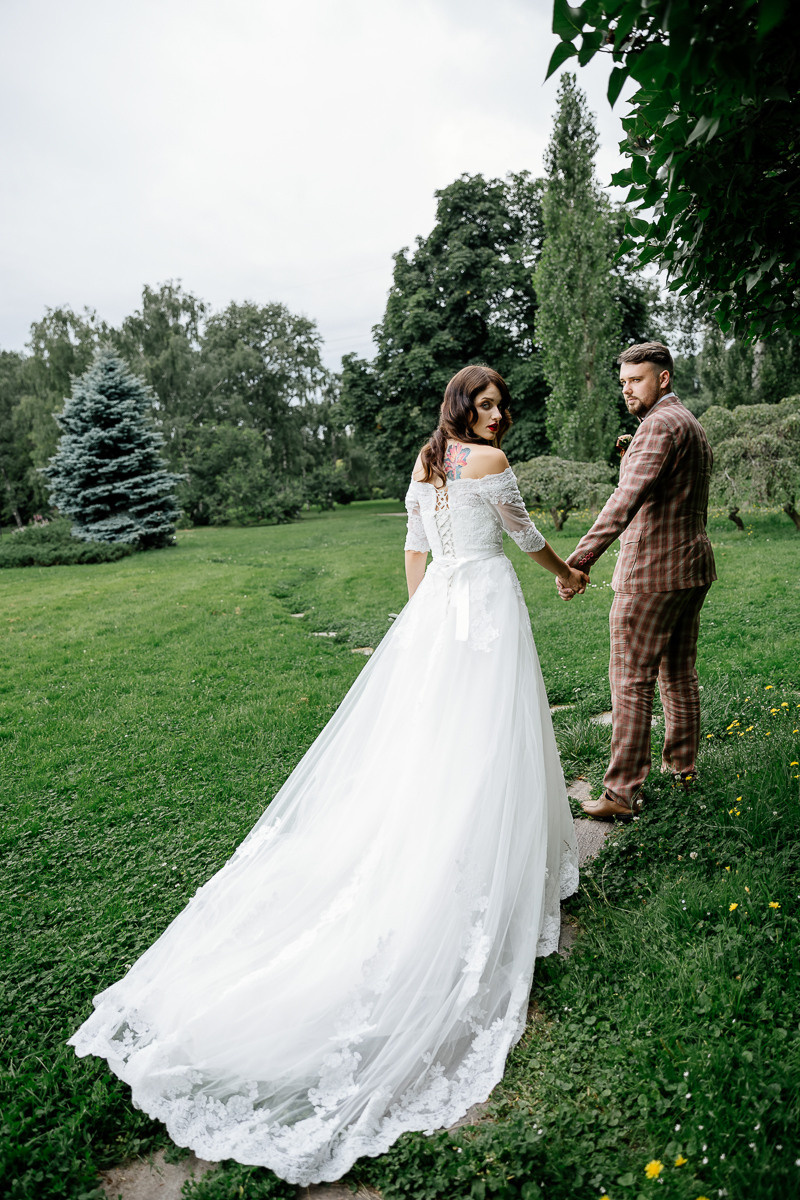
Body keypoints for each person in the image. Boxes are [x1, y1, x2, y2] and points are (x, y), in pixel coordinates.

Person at [69, 365, 585, 1186]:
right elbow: (522, 540)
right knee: (490, 737)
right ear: (459, 408)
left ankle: (504, 844)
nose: (497, 413)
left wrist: (421, 622)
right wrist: (564, 570)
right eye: (483, 404)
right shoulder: (486, 467)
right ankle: (491, 862)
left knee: (443, 741)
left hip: (441, 613)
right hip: (482, 608)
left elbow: (415, 551)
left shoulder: (424, 465)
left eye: (499, 404)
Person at [558, 342, 716, 821]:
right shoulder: (688, 423)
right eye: (624, 381)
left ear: (663, 378)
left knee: (630, 679)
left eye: (637, 379)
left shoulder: (659, 426)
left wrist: (580, 559)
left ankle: (622, 793)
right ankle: (683, 770)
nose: (627, 389)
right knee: (678, 674)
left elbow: (624, 502)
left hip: (652, 573)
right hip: (691, 570)